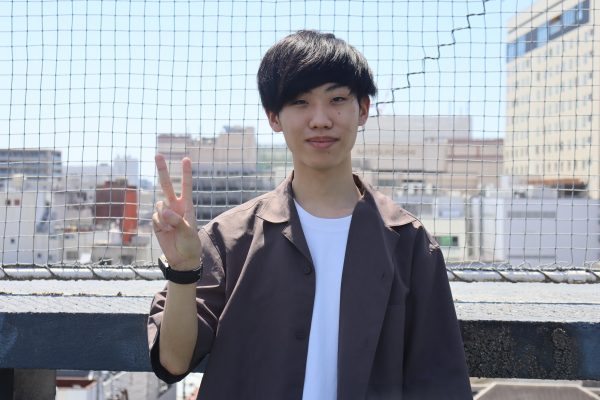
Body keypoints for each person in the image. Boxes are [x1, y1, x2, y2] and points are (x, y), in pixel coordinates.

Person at [148, 30, 472, 400]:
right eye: (300, 102)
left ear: (363, 109)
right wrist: (183, 270)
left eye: (337, 99)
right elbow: (173, 361)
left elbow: (440, 382)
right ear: (274, 117)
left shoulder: (409, 243)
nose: (320, 119)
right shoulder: (229, 238)